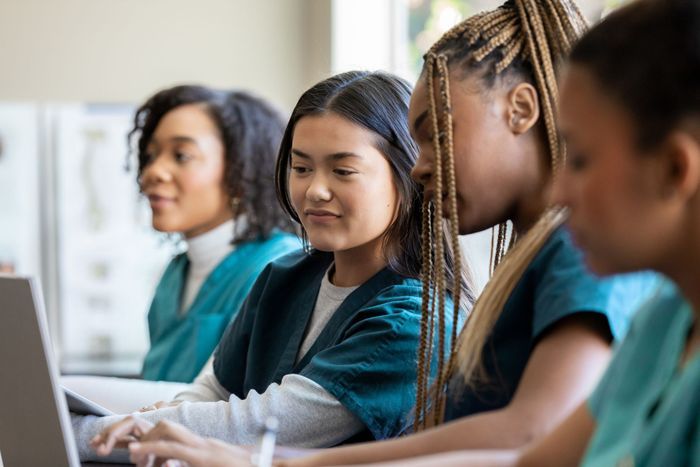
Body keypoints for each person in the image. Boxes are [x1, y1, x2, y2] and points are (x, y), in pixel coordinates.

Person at [111, 1, 661, 466]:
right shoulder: (534, 258)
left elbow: (530, 434)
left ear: (521, 110)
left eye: (435, 137)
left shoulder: (571, 249)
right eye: (301, 167)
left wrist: (266, 462)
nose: (422, 169)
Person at [78, 71, 472, 463]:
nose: (315, 190)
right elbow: (212, 389)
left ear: (409, 174)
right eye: (301, 168)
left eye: (343, 170)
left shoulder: (414, 322)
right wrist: (156, 427)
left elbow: (263, 424)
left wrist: (90, 432)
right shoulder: (284, 277)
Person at [134, 85, 300, 383]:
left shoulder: (280, 266)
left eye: (182, 155)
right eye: (151, 155)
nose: (152, 172)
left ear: (241, 170)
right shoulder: (176, 272)